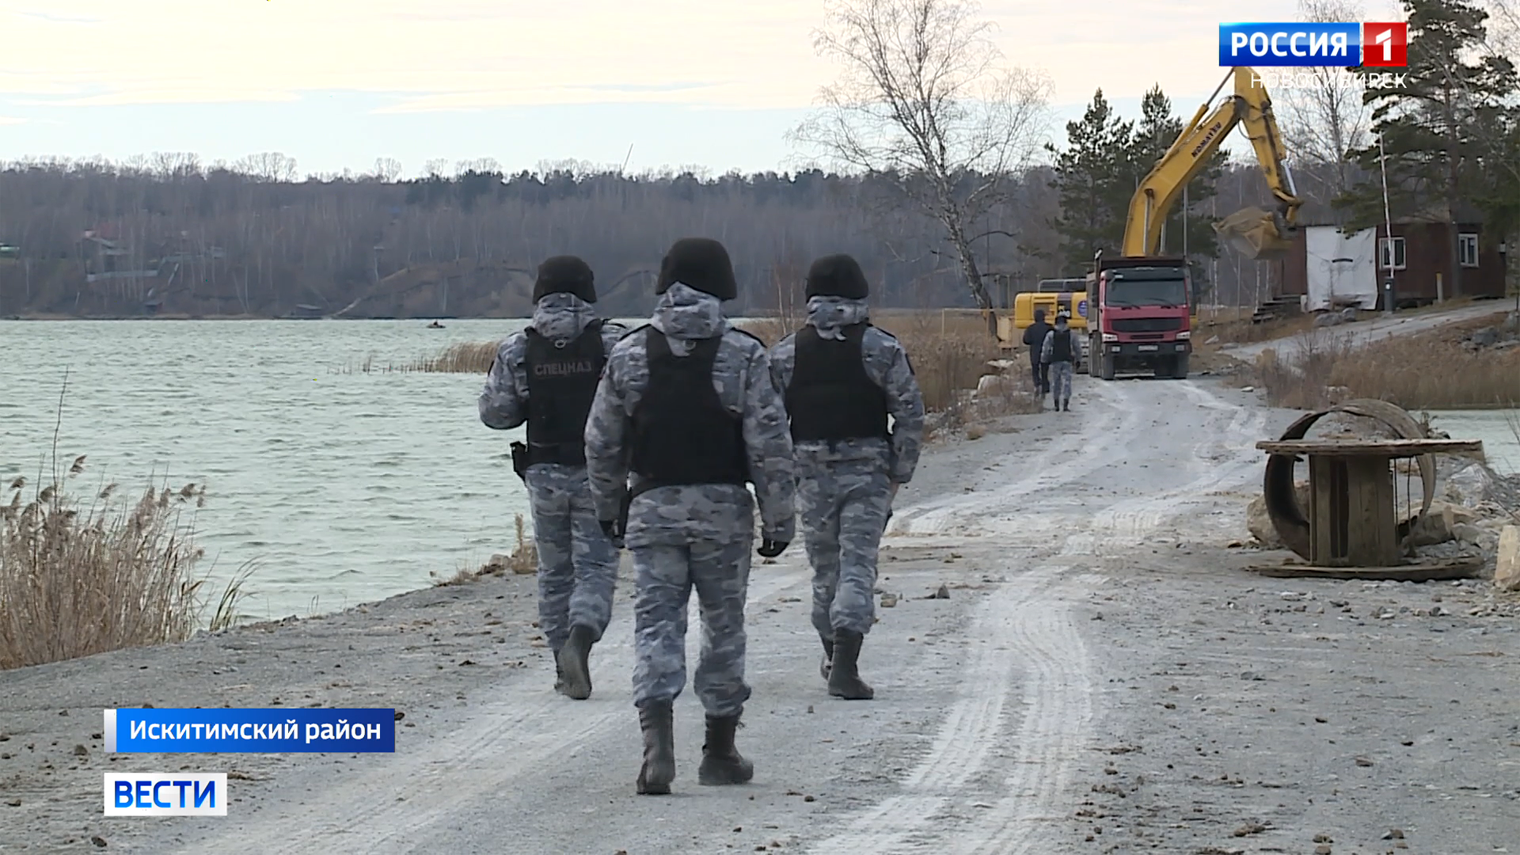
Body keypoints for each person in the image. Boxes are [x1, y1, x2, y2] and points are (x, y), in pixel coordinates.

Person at [583, 237, 796, 795]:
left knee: (657, 623)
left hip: (651, 508)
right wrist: (779, 519)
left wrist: (609, 509)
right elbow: (770, 446)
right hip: (725, 511)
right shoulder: (745, 354)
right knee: (724, 626)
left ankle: (657, 750)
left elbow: (601, 443)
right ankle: (720, 752)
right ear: (722, 286)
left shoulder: (628, 354)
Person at [767, 254, 924, 701]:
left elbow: (768, 428)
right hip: (868, 472)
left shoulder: (784, 353)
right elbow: (910, 416)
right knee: (857, 565)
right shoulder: (882, 348)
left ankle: (833, 655)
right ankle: (847, 666)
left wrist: (779, 482)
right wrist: (899, 473)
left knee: (824, 571)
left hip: (809, 474)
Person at [478, 256, 625, 700]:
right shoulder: (613, 342)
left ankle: (562, 661)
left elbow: (495, 415)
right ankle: (582, 636)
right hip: (601, 473)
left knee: (555, 571)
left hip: (542, 472)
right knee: (597, 565)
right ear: (588, 292)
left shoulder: (517, 348)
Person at [1041, 311, 1082, 411]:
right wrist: (1078, 360)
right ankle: (1065, 404)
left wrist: (1044, 360)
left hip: (1055, 360)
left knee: (1056, 382)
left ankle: (1056, 404)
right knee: (1067, 381)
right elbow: (1077, 348)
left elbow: (1046, 348)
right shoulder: (1072, 334)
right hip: (1067, 360)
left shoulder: (1051, 334)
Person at [1022, 308, 1051, 399]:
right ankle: (1045, 386)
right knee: (1044, 370)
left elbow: (1026, 340)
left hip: (1035, 351)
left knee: (1035, 369)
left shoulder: (1030, 328)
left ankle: (1037, 384)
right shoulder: (1049, 327)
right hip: (1047, 352)